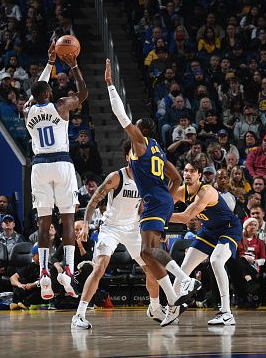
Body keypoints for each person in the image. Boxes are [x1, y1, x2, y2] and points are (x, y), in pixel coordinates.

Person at [105, 59, 200, 327]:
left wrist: (111, 85)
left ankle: (184, 280)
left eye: (136, 127)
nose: (131, 129)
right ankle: (172, 300)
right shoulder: (158, 147)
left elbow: (120, 116)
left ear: (141, 130)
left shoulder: (141, 143)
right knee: (148, 253)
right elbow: (177, 177)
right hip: (160, 200)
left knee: (147, 250)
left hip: (154, 201)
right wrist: (168, 199)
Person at [71, 140, 163, 329]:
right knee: (100, 267)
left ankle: (154, 307)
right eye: (133, 153)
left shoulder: (145, 179)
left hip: (132, 229)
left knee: (152, 269)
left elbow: (143, 208)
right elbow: (94, 200)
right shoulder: (116, 177)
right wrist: (86, 223)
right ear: (127, 156)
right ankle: (79, 315)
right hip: (110, 228)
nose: (136, 156)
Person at [23, 42, 88, 300]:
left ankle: (43, 273)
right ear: (49, 92)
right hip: (62, 163)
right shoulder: (60, 105)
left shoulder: (27, 111)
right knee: (68, 219)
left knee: (43, 222)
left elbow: (34, 92)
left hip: (39, 165)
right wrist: (73, 66)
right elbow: (82, 94)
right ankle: (68, 271)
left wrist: (49, 63)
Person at [169, 163, 242, 326]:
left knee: (216, 260)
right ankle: (172, 309)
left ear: (199, 175)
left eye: (192, 171)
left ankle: (226, 313)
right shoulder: (181, 191)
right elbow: (164, 204)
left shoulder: (206, 191)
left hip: (229, 229)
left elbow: (185, 217)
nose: (188, 174)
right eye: (186, 170)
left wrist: (157, 217)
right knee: (184, 267)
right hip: (209, 230)